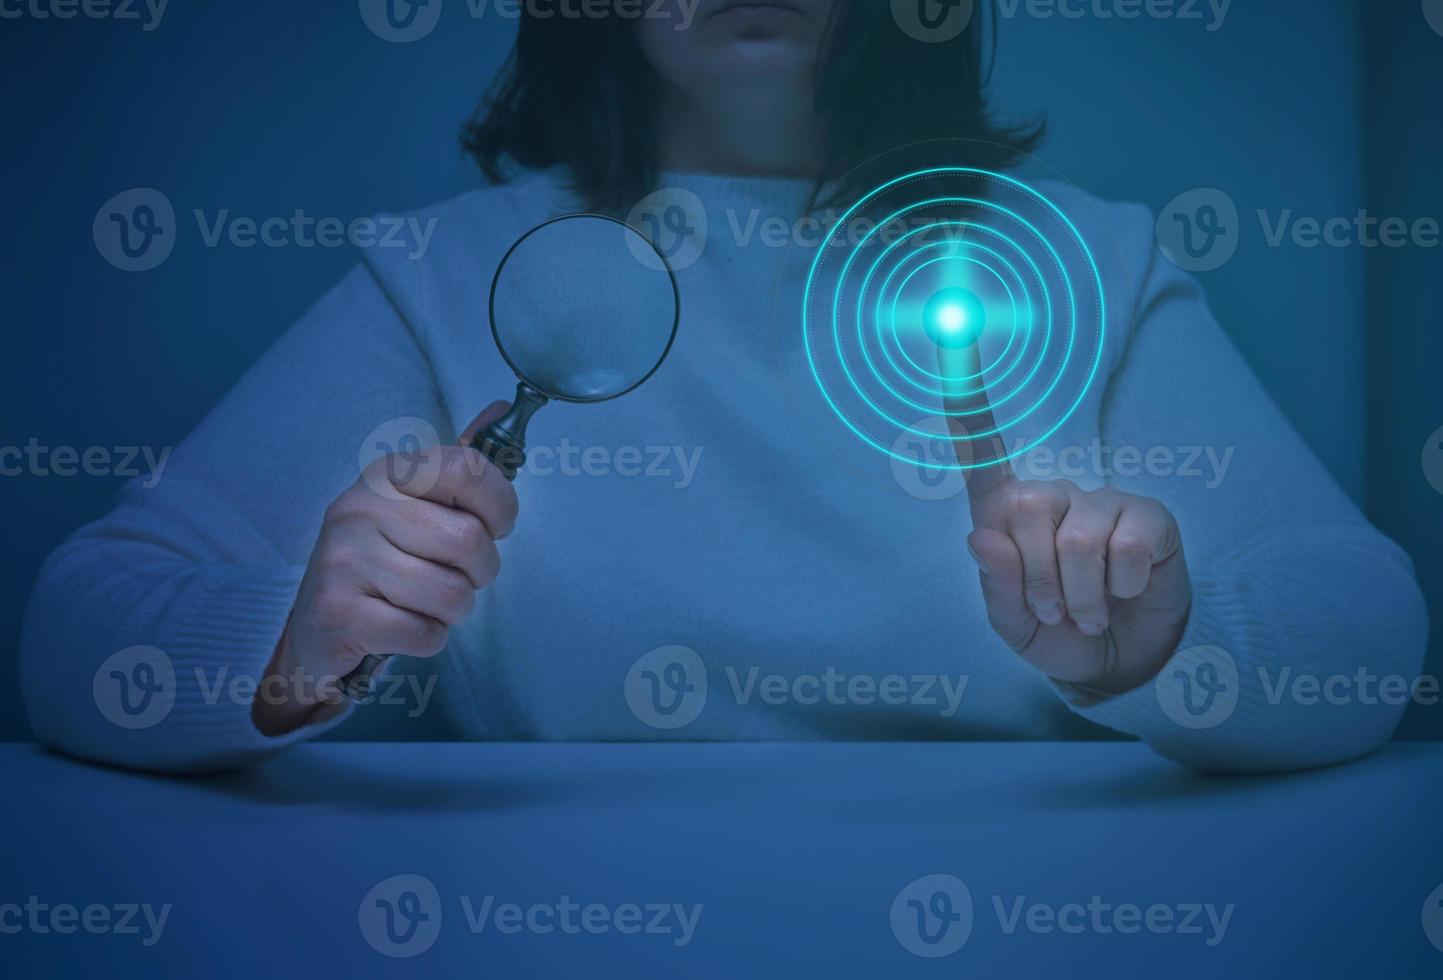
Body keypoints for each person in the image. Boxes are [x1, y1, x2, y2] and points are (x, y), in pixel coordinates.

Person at [20, 0, 1426, 773]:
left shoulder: (1085, 264)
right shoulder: (446, 277)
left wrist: (1168, 653)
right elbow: (81, 635)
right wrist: (292, 645)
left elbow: (1362, 635)